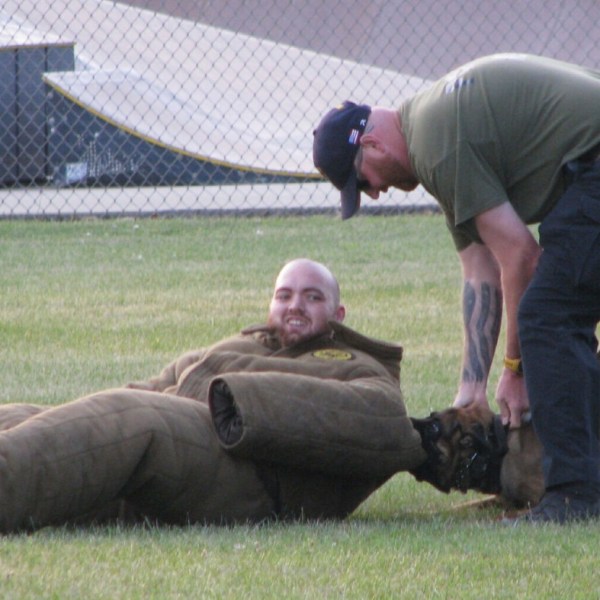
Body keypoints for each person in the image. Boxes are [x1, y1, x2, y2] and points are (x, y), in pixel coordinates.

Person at [313, 53, 600, 524]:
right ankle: (582, 475)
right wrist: (472, 394)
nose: (375, 192)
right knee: (561, 317)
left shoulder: (437, 145)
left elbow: (521, 257)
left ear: (370, 143)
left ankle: (574, 498)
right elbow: (479, 271)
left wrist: (515, 370)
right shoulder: (434, 131)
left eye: (361, 181)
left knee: (546, 319)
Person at [0, 258, 426, 533]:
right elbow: (149, 388)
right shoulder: (240, 345)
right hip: (184, 447)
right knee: (36, 417)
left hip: (249, 478)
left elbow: (384, 421)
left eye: (313, 297)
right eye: (285, 295)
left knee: (132, 419)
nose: (295, 305)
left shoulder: (358, 364)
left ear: (338, 313)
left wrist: (238, 399)